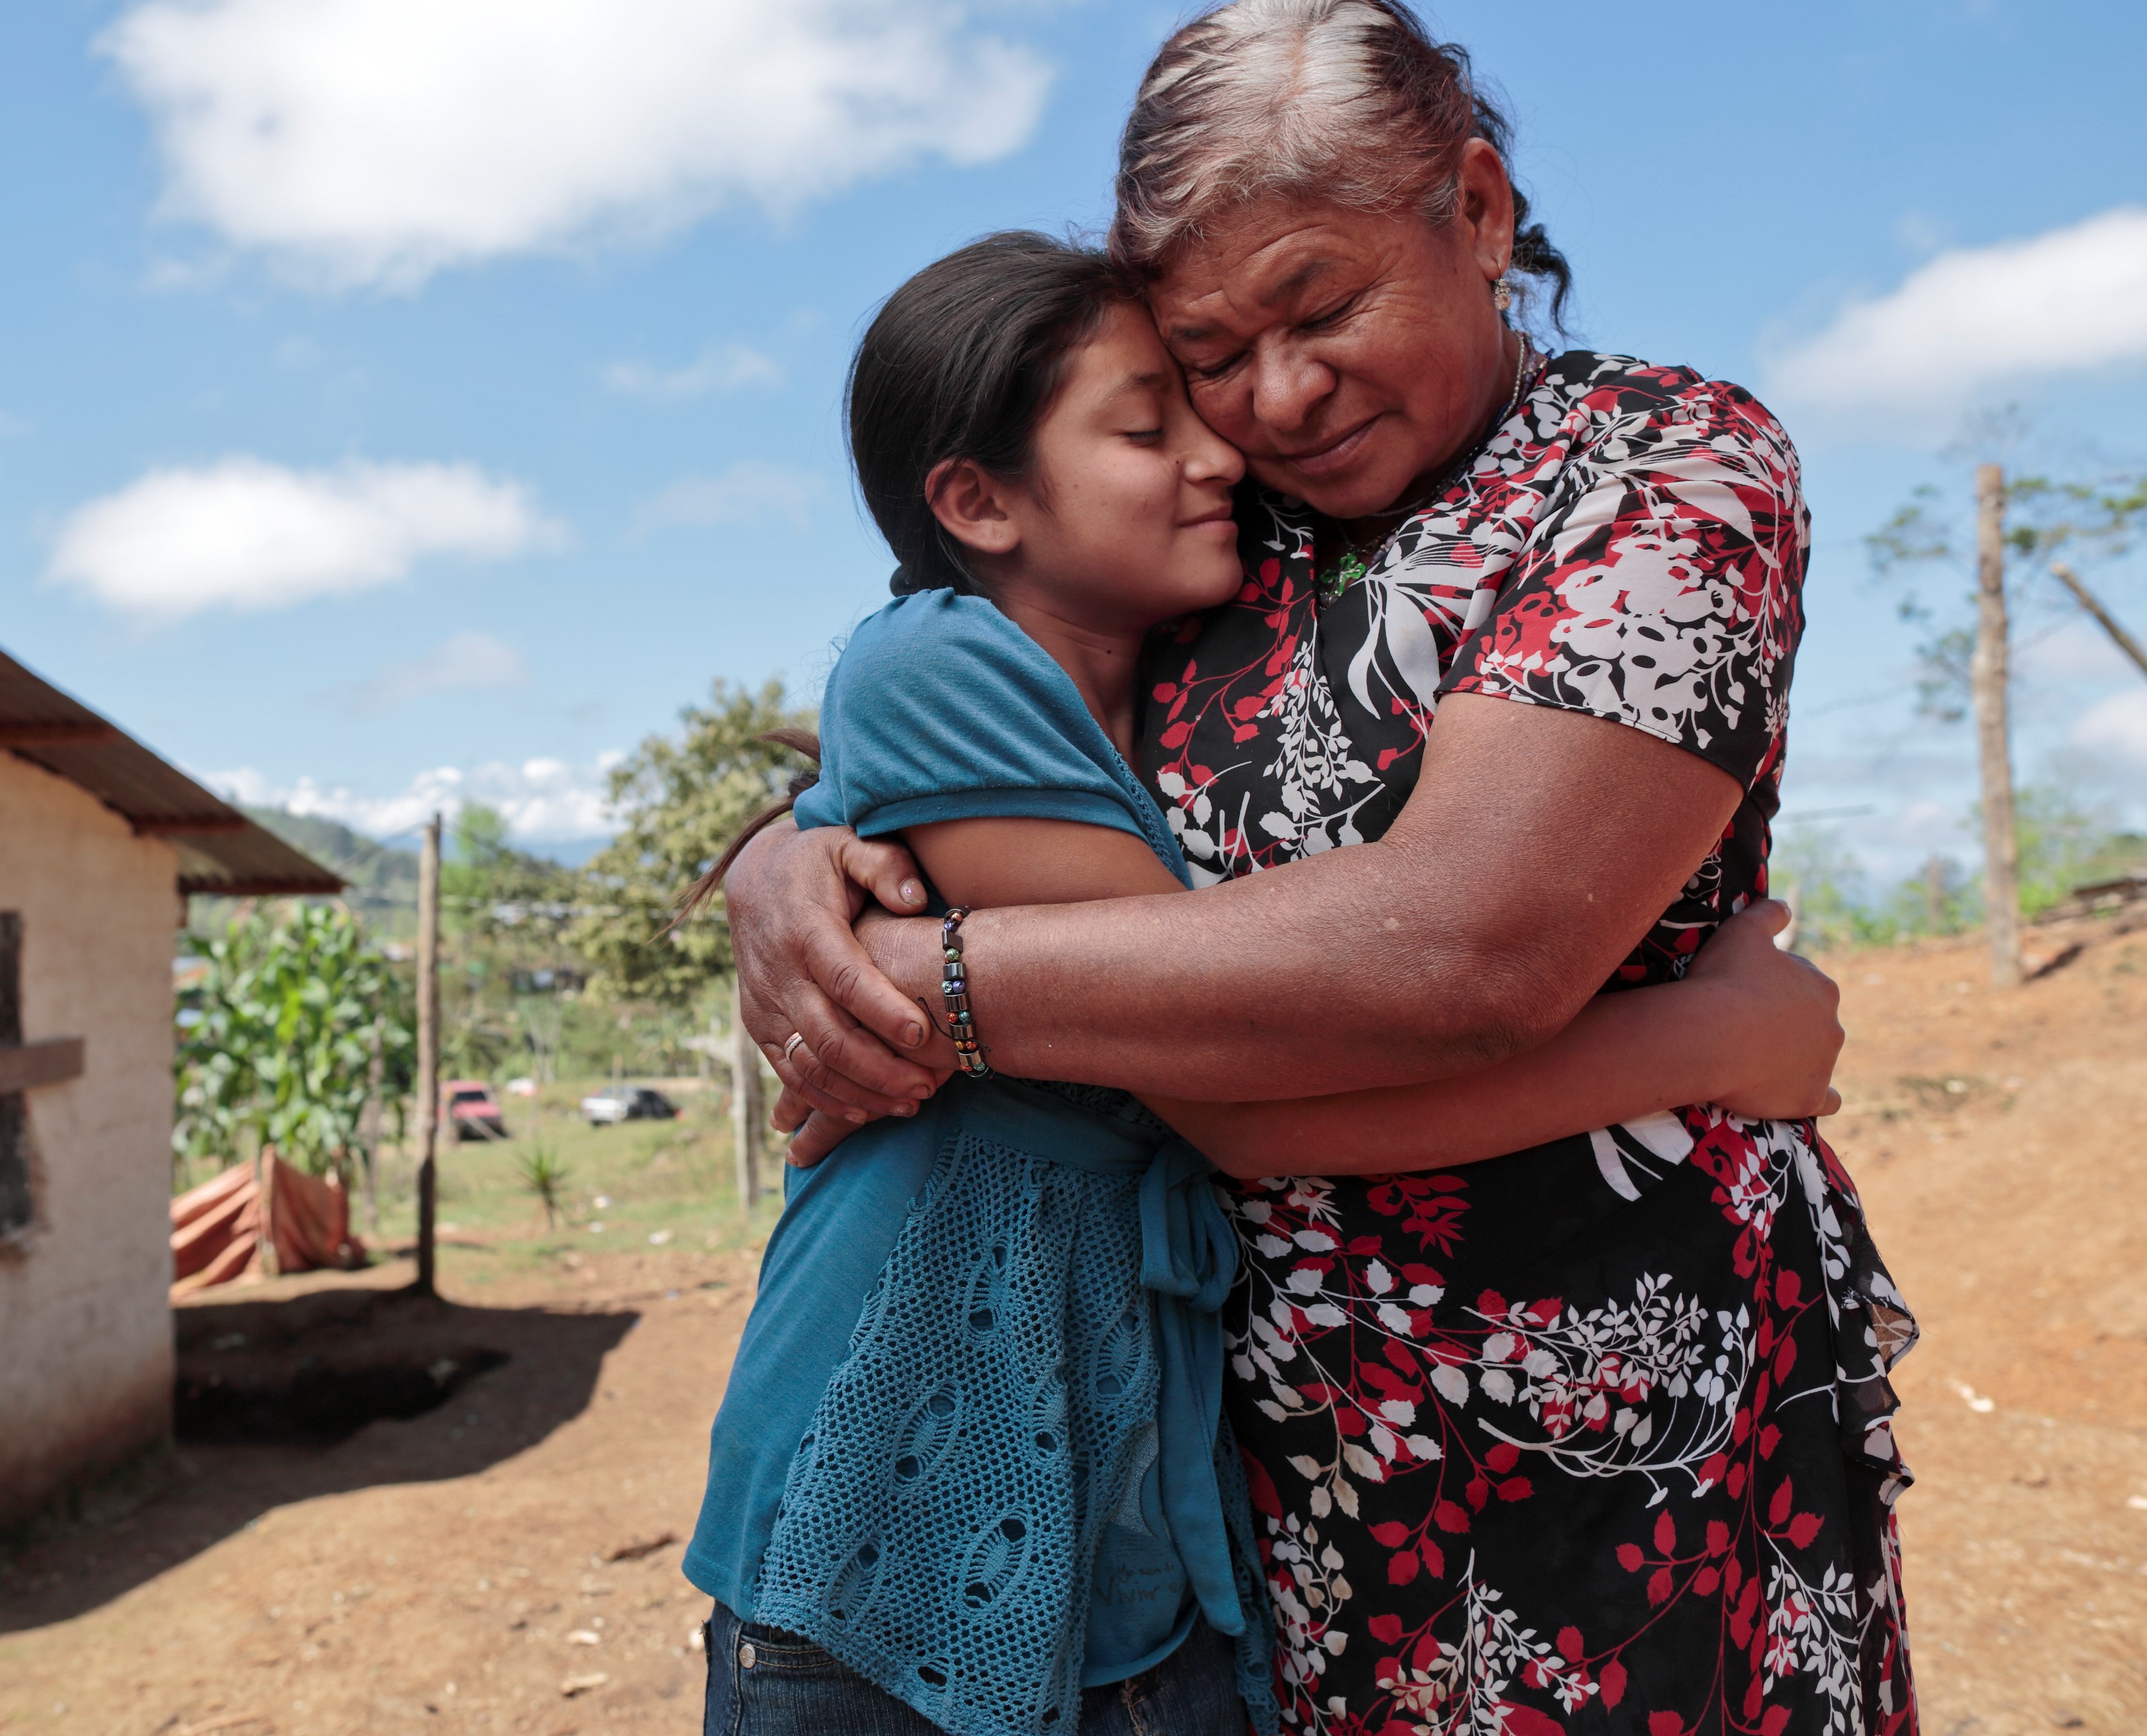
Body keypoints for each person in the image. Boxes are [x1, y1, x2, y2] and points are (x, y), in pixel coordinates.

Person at [722, 5, 1919, 1733]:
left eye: (1323, 306)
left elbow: (1453, 955)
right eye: (1208, 350)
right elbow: (955, 708)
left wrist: (941, 987)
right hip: (1256, 1474)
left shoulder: (1654, 478)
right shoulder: (1228, 532)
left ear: (1483, 211)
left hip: (1620, 1434)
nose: (1271, 397)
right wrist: (791, 860)